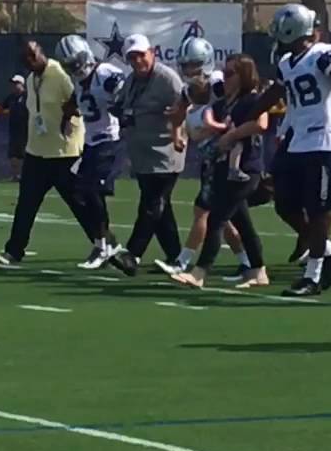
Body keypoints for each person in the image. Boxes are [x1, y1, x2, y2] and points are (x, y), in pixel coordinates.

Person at [249, 4, 331, 297]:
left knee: (320, 210)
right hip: (298, 142)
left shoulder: (323, 54)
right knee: (284, 203)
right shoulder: (287, 61)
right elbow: (276, 92)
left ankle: (314, 275)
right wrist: (247, 111)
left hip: (324, 141)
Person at [0, 40, 102, 266]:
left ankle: (104, 245)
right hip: (37, 152)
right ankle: (14, 251)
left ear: (40, 52)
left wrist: (69, 117)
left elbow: (79, 97)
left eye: (34, 54)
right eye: (27, 59)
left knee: (80, 204)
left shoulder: (61, 73)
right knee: (26, 204)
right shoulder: (32, 80)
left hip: (64, 153)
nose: (32, 60)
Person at [171, 54, 271, 289]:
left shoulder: (251, 100)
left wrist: (232, 135)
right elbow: (204, 120)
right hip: (225, 168)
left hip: (247, 169)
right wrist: (206, 130)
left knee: (216, 217)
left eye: (229, 74)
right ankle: (259, 271)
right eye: (224, 73)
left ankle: (199, 272)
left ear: (243, 76)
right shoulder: (224, 103)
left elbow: (262, 123)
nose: (223, 79)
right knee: (243, 223)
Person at [107, 34, 187, 276]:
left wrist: (177, 133)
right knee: (161, 208)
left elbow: (185, 105)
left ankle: (133, 254)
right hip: (143, 152)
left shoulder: (166, 78)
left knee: (152, 204)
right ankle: (176, 257)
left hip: (165, 150)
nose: (137, 60)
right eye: (132, 57)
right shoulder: (132, 79)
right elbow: (123, 104)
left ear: (152, 53)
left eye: (141, 55)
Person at [57, 34, 126, 270]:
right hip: (92, 143)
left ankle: (104, 245)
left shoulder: (105, 73)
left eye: (76, 61)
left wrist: (120, 107)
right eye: (70, 65)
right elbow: (78, 102)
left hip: (110, 140)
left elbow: (125, 95)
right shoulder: (78, 82)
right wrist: (67, 115)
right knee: (77, 191)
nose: (76, 68)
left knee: (93, 191)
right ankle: (105, 242)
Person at [2, 74, 28, 179]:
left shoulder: (28, 96)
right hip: (14, 129)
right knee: (13, 154)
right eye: (13, 84)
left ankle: (25, 174)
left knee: (24, 153)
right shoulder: (11, 97)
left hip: (26, 129)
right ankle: (15, 175)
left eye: (16, 83)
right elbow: (2, 106)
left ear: (22, 84)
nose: (14, 86)